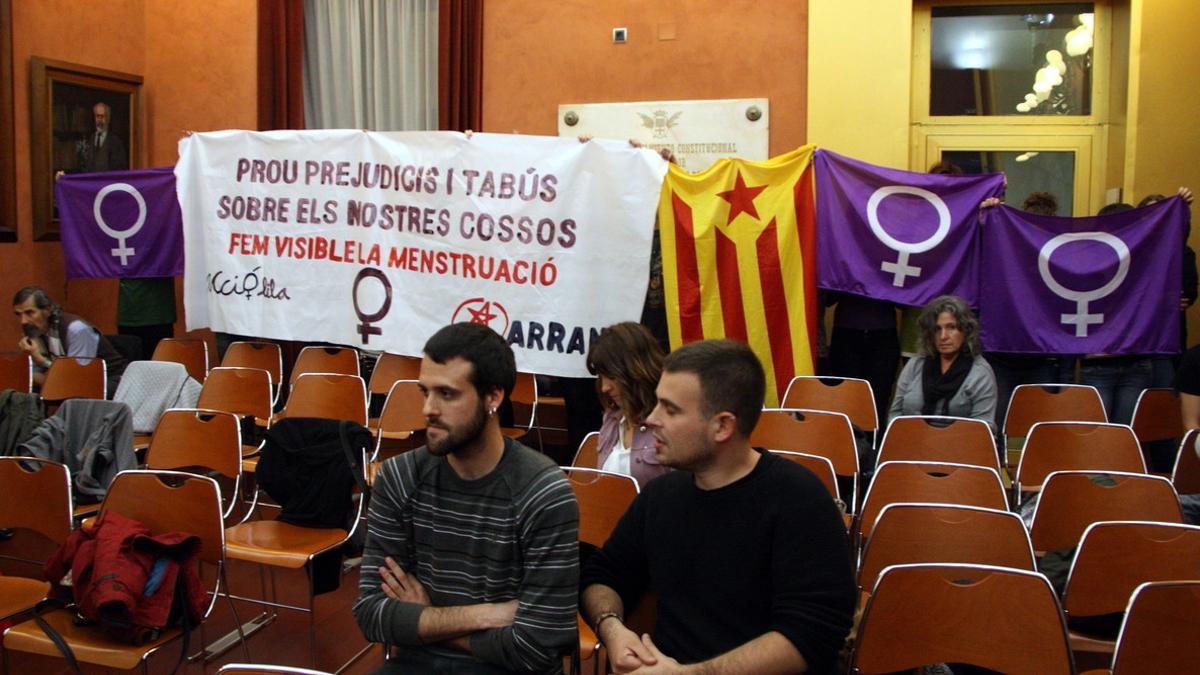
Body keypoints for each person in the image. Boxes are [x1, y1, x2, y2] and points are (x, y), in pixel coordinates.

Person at [581, 339, 855, 674]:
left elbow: (811, 634)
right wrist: (614, 630)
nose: (651, 419)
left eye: (670, 409)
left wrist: (688, 674)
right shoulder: (660, 497)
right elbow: (603, 575)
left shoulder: (800, 501)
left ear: (723, 426)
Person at [353, 322, 579, 674]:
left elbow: (537, 647)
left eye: (447, 394)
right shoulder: (399, 477)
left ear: (493, 397)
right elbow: (371, 615)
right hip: (418, 665)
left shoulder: (543, 492)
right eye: (424, 391)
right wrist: (486, 614)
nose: (428, 408)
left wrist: (425, 620)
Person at [889, 295, 997, 429]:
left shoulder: (980, 372)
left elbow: (984, 428)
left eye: (951, 327)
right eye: (937, 329)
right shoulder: (916, 364)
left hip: (960, 446)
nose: (943, 336)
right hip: (912, 443)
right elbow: (895, 416)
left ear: (966, 330)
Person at [586, 322, 671, 486]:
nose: (604, 387)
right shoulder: (611, 419)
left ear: (637, 371)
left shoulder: (671, 422)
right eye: (601, 376)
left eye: (612, 376)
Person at [12, 285, 127, 394]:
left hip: (109, 381)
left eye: (29, 313)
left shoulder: (76, 329)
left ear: (47, 310)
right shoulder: (35, 332)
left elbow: (75, 378)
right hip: (69, 383)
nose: (23, 321)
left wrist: (41, 360)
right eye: (19, 314)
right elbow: (35, 376)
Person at [79, 102, 127, 173]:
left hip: (108, 182)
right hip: (91, 182)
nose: (99, 120)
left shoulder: (116, 141)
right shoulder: (90, 139)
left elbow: (120, 168)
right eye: (97, 116)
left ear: (108, 118)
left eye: (102, 116)